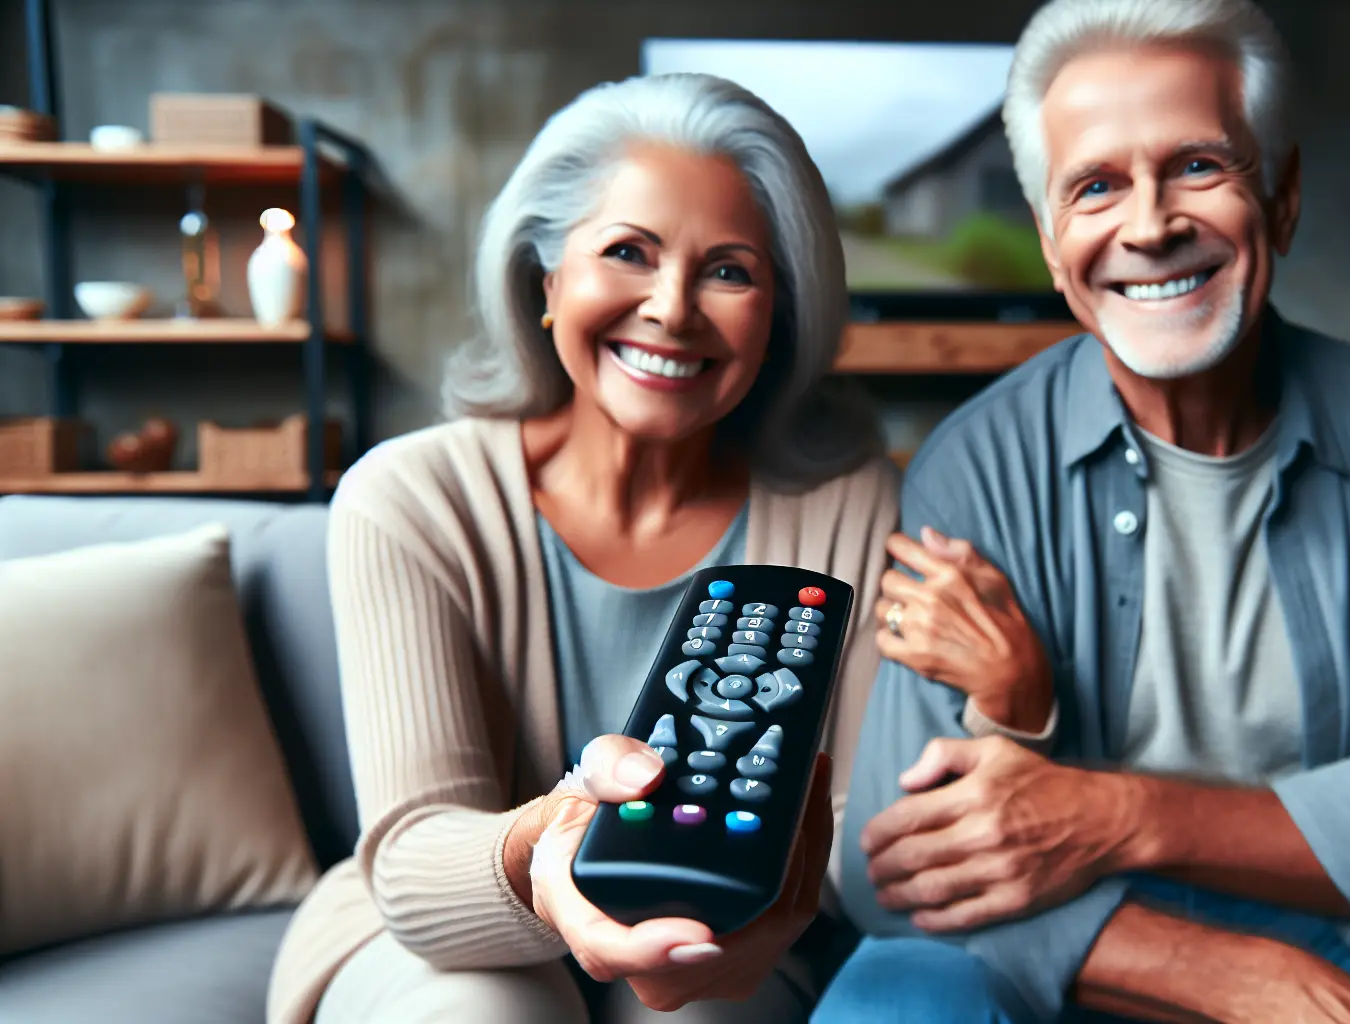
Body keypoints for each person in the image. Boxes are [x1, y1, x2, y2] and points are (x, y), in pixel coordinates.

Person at [813, 1, 1350, 1022]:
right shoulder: (977, 463)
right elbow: (897, 866)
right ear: (1052, 246)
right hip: (1083, 948)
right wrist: (1226, 972)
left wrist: (1117, 813)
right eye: (1095, 186)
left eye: (1195, 166)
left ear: (1281, 197)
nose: (1149, 224)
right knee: (891, 1000)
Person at [265, 73, 905, 1024]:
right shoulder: (408, 498)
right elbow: (411, 861)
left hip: (724, 920)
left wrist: (781, 899)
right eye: (628, 252)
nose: (673, 308)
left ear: (779, 315)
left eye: (730, 271)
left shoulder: (851, 507)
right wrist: (555, 841)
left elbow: (856, 838)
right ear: (546, 281)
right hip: (439, 933)